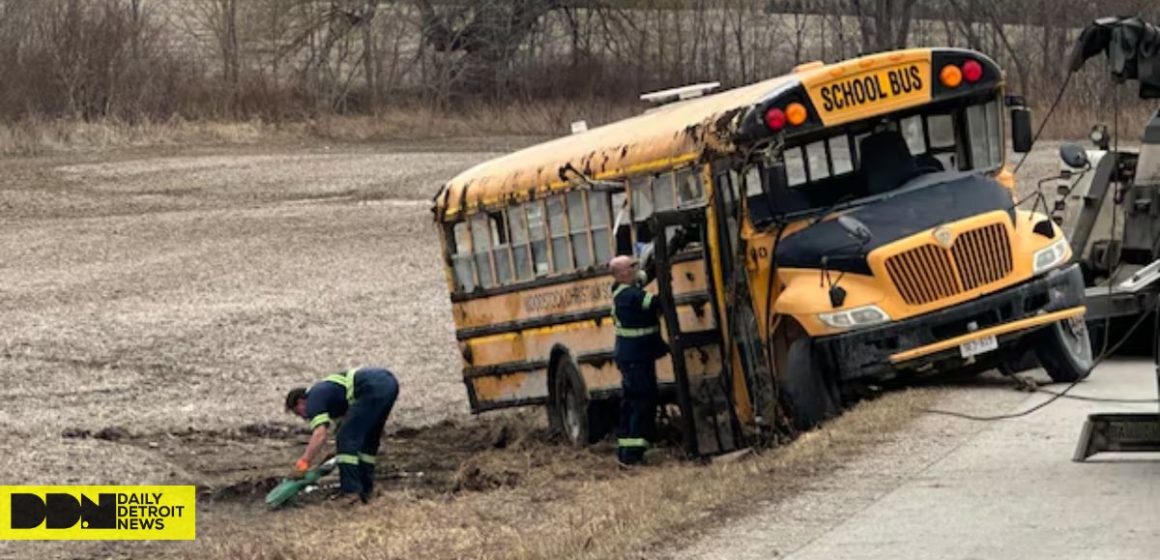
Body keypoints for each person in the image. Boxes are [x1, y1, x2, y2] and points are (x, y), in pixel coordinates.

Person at [284, 366, 400, 504]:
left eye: (299, 412)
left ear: (300, 402)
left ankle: (351, 493)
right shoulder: (330, 395)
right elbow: (346, 426)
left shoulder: (314, 398)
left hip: (370, 387)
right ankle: (366, 490)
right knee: (368, 441)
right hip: (388, 384)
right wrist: (334, 454)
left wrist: (303, 463)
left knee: (346, 438)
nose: (304, 417)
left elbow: (320, 434)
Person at [608, 255, 668, 466]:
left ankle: (630, 452)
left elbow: (642, 279)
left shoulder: (621, 290)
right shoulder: (629, 296)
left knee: (635, 402)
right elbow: (656, 303)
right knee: (640, 403)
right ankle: (632, 456)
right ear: (622, 273)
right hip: (635, 360)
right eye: (633, 266)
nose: (637, 268)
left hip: (636, 358)